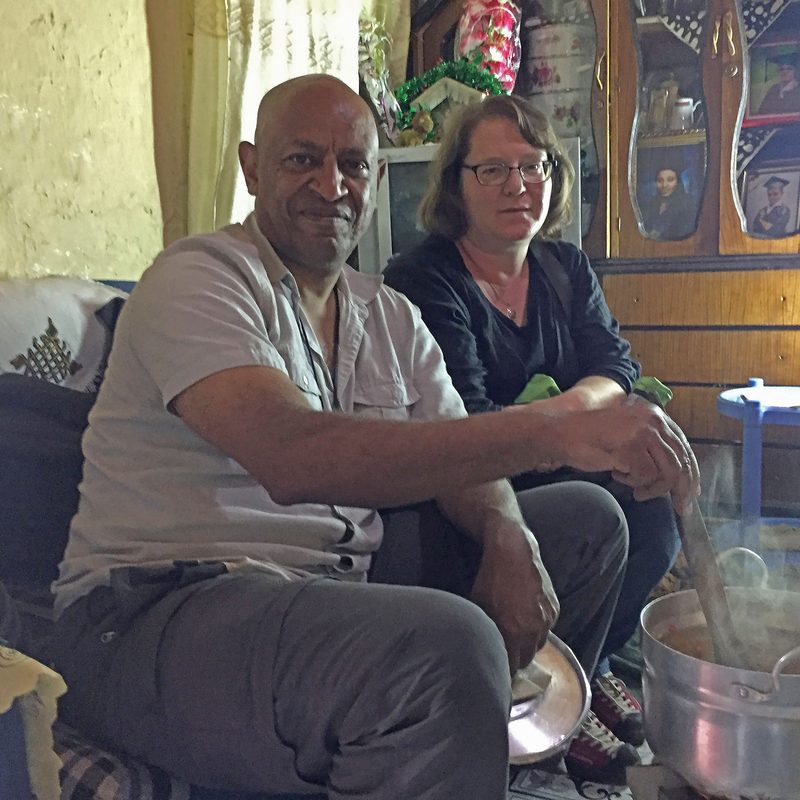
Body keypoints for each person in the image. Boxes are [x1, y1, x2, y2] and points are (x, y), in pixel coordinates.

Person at [50, 75, 698, 799]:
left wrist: (505, 531)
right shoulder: (200, 277)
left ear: (376, 176)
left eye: (353, 165)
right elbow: (292, 455)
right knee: (448, 647)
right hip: (162, 610)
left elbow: (459, 447)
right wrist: (558, 430)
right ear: (252, 168)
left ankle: (499, 757)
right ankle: (450, 728)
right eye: (302, 160)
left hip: (332, 585)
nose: (331, 186)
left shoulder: (387, 313)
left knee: (587, 522)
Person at [383, 94, 685, 775]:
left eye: (533, 165)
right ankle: (546, 701)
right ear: (456, 183)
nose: (518, 185)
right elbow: (464, 416)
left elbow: (615, 363)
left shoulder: (563, 266)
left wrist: (576, 413)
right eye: (492, 169)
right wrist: (577, 429)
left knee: (655, 512)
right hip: (471, 478)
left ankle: (591, 662)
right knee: (605, 506)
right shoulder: (423, 277)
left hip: (558, 455)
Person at [640, 165, 695, 240]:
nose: (664, 185)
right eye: (660, 180)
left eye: (670, 180)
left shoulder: (688, 203)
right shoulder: (651, 203)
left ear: (678, 182)